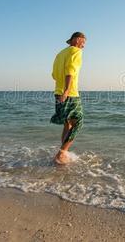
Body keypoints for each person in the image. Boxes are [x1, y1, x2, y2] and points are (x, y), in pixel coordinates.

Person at [50, 32, 86, 165]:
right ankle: (61, 153)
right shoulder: (76, 51)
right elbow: (70, 71)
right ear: (77, 40)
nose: (84, 45)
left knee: (68, 123)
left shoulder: (60, 54)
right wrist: (66, 91)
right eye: (83, 42)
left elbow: (54, 75)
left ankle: (63, 154)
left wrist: (62, 91)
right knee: (78, 121)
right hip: (70, 93)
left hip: (58, 93)